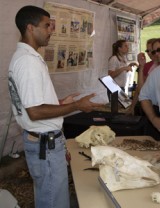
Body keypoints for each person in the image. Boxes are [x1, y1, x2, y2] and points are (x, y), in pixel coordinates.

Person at [8, 5, 103, 208]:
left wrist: (60, 103)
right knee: (53, 200)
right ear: (30, 28)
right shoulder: (28, 62)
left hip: (42, 143)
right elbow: (34, 112)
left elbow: (30, 104)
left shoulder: (27, 58)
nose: (51, 30)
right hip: (45, 146)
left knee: (49, 195)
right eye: (47, 25)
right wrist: (77, 105)